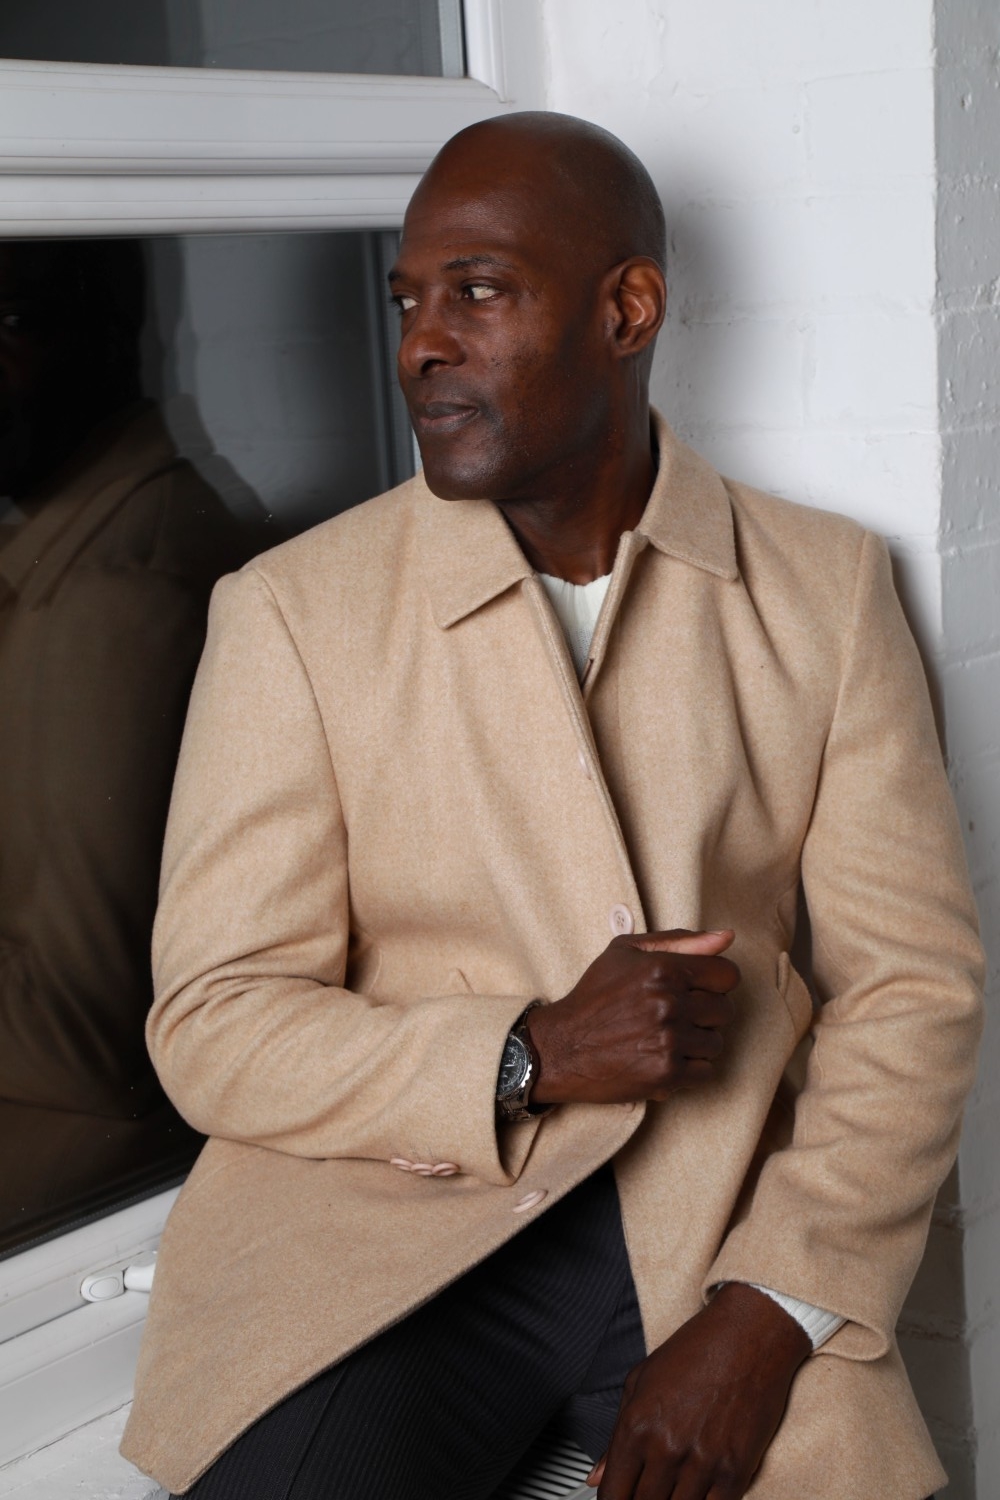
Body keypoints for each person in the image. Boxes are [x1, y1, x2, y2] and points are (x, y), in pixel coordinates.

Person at [121, 113, 984, 1500]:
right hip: (384, 1236)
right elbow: (213, 1022)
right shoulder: (291, 611)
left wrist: (770, 1314)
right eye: (407, 299)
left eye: (477, 291)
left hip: (715, 1227)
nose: (422, 343)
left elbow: (914, 990)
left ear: (626, 310)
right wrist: (527, 1053)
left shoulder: (824, 592)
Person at [0, 240, 250, 1250]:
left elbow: (82, 1033)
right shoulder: (70, 549)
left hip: (102, 1176)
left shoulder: (115, 598)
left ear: (110, 338)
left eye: (10, 327)